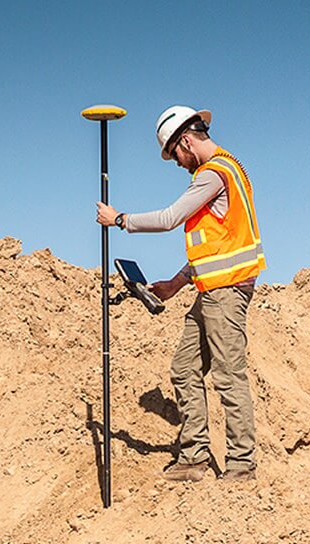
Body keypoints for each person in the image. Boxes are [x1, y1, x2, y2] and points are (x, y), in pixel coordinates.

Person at [96, 105, 266, 482]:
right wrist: (176, 283)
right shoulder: (227, 171)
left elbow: (170, 218)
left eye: (174, 154)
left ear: (186, 141)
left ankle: (241, 466)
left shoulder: (213, 173)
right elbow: (215, 245)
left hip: (227, 292)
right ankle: (193, 458)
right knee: (185, 367)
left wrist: (119, 219)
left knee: (228, 375)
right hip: (211, 290)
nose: (176, 163)